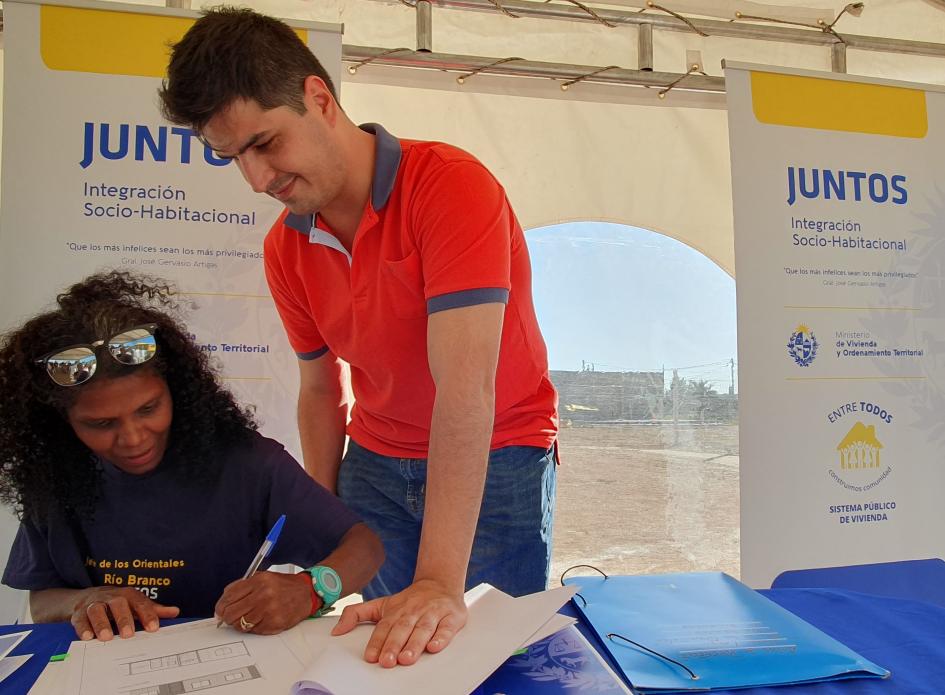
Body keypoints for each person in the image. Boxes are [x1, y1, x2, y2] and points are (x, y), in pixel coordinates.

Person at [159, 7, 558, 668]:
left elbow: (465, 389)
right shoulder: (285, 247)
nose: (257, 180)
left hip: (495, 453)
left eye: (264, 143)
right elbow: (321, 391)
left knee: (486, 660)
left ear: (319, 99)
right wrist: (321, 517)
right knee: (386, 652)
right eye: (233, 159)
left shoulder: (448, 187)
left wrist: (436, 580)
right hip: (373, 463)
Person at [0, 271, 384, 641]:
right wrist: (81, 601)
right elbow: (43, 598)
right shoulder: (54, 475)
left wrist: (310, 590)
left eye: (149, 409)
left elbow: (364, 547)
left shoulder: (248, 463)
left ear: (176, 391)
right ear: (61, 423)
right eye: (101, 424)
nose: (133, 438)